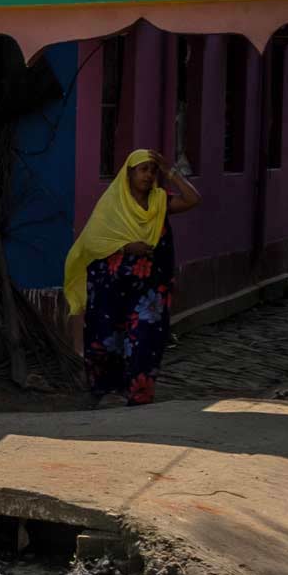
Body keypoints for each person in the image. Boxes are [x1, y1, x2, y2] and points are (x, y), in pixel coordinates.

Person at [63, 148, 201, 406]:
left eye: (152, 170)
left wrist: (171, 172)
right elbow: (93, 240)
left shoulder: (160, 201)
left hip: (149, 288)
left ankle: (139, 395)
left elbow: (193, 199)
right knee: (105, 337)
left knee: (146, 338)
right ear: (129, 174)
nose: (148, 175)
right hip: (112, 285)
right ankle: (106, 391)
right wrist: (127, 246)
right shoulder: (112, 203)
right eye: (143, 169)